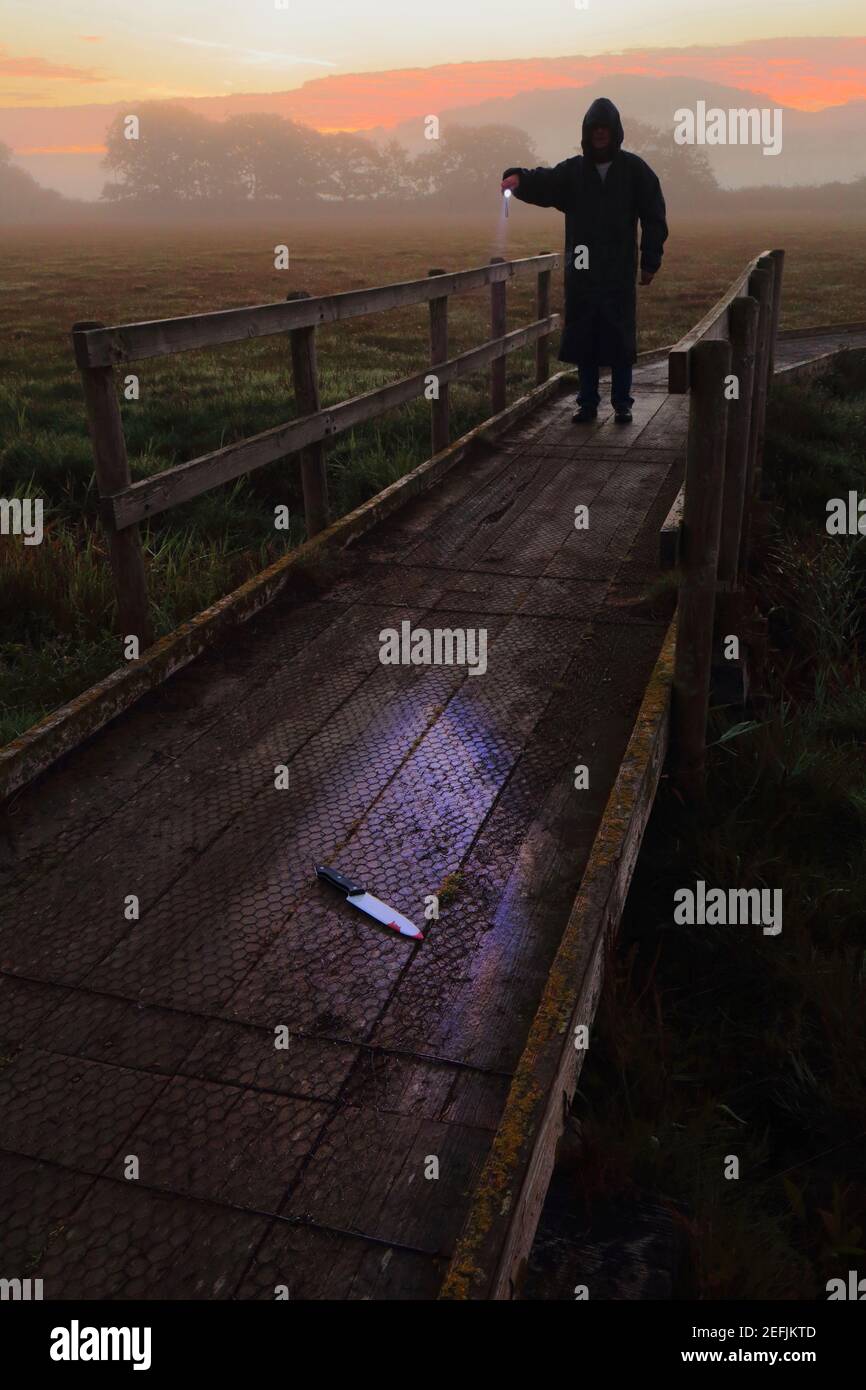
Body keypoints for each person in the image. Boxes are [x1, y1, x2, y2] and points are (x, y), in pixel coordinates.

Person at [502, 97, 668, 424]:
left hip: (619, 269)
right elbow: (544, 182)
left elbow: (654, 216)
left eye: (605, 128)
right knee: (584, 337)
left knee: (620, 338)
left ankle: (623, 403)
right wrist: (518, 178)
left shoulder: (635, 171)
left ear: (615, 132)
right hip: (581, 269)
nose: (600, 134)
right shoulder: (574, 172)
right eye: (595, 128)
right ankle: (587, 403)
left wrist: (650, 260)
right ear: (588, 133)